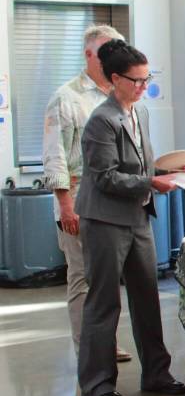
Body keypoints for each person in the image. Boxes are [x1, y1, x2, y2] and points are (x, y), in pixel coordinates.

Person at [75, 40, 185, 396]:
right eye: (136, 80)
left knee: (147, 298)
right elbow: (105, 177)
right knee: (104, 302)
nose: (143, 86)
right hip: (105, 219)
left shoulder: (139, 113)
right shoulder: (101, 120)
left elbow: (137, 166)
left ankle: (157, 373)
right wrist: (150, 182)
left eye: (146, 78)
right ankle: (97, 384)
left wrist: (164, 171)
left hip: (137, 217)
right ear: (114, 79)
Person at [42, 24, 132, 362]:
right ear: (88, 54)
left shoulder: (120, 94)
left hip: (113, 200)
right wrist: (66, 206)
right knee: (82, 278)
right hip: (78, 199)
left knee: (107, 278)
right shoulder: (67, 98)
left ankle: (106, 341)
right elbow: (55, 155)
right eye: (107, 50)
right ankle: (89, 350)